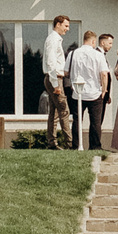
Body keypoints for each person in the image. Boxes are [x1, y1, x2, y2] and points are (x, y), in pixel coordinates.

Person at [68, 29, 107, 150]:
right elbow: (104, 74)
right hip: (94, 92)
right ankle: (95, 146)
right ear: (93, 41)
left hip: (77, 92)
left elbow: (65, 72)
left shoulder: (73, 53)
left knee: (77, 120)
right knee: (95, 121)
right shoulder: (98, 55)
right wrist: (104, 90)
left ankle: (76, 145)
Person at [43, 15, 73, 149]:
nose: (67, 29)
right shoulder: (53, 40)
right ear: (58, 24)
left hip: (54, 78)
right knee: (64, 110)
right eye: (66, 26)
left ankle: (52, 143)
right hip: (54, 79)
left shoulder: (55, 39)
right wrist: (56, 84)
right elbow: (51, 63)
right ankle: (69, 143)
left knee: (54, 113)